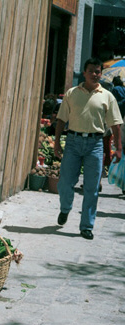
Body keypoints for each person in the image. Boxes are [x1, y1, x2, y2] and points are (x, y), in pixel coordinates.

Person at [54, 58, 123, 240]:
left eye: (98, 71)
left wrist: (119, 149)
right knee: (64, 183)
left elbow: (115, 125)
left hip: (95, 145)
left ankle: (86, 226)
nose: (95, 74)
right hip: (73, 143)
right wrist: (56, 143)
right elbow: (61, 119)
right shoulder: (72, 93)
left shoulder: (107, 96)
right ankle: (65, 208)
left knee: (92, 188)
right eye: (91, 71)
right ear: (84, 73)